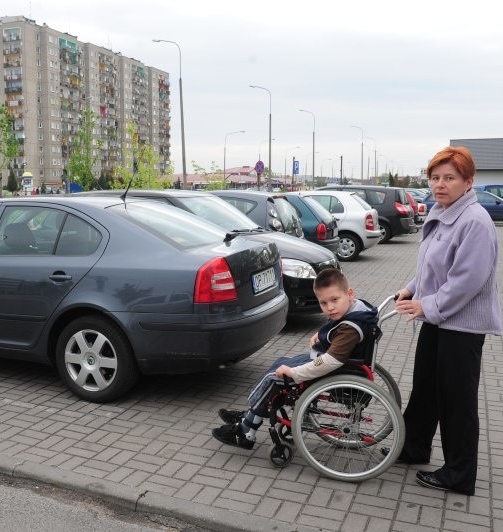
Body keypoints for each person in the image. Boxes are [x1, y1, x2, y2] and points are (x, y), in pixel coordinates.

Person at [391, 146, 501, 496]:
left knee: (457, 399)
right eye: (435, 177)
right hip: (438, 318)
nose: (440, 184)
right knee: (425, 387)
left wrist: (426, 306)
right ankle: (413, 448)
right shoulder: (443, 211)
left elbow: (467, 280)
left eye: (449, 178)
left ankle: (459, 474)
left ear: (469, 182)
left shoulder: (475, 222)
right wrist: (410, 289)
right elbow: (432, 268)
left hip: (462, 325)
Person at [211, 268, 378, 450]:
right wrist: (321, 335)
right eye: (323, 303)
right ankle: (253, 413)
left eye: (334, 300)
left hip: (333, 369)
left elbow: (331, 360)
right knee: (279, 363)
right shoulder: (358, 308)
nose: (329, 307)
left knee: (275, 378)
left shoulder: (351, 328)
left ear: (349, 293)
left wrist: (294, 373)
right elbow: (338, 326)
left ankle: (246, 431)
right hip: (340, 364)